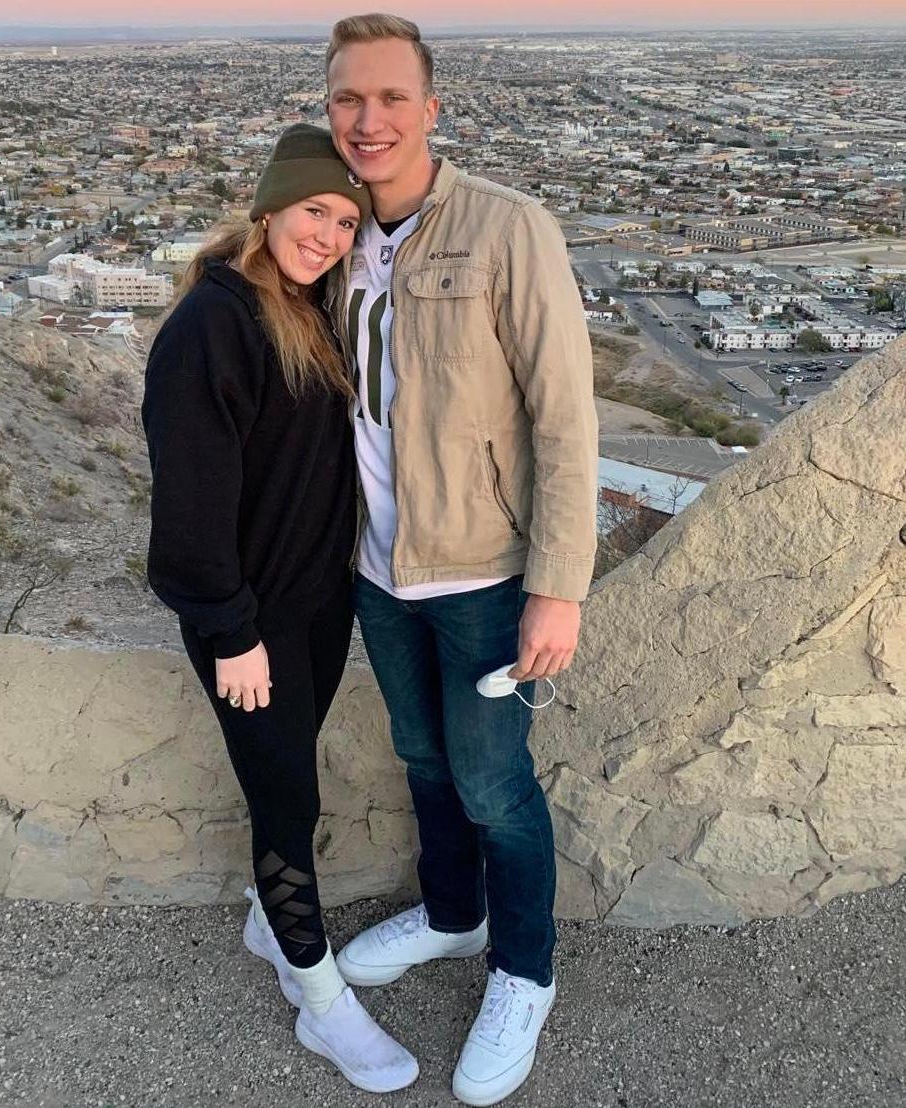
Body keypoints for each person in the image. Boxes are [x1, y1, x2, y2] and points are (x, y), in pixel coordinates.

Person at [321, 15, 599, 1107]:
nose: (369, 118)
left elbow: (565, 417)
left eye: (392, 97)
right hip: (377, 570)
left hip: (483, 570)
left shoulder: (504, 227)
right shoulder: (331, 230)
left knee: (492, 781)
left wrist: (557, 587)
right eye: (349, 97)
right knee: (422, 761)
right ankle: (450, 913)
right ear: (328, 108)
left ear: (432, 109)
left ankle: (523, 970)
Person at [141, 123, 418, 1095]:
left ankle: (271, 920)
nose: (331, 234)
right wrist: (230, 631)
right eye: (316, 212)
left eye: (346, 220)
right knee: (286, 802)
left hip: (313, 604)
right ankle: (323, 1001)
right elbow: (187, 509)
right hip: (249, 621)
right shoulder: (210, 328)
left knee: (291, 774)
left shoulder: (303, 306)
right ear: (269, 207)